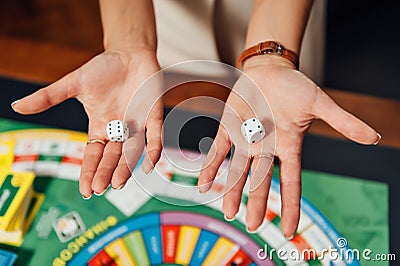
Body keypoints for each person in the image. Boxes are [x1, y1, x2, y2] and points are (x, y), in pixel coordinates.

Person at [11, 0, 380, 239]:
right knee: (183, 106)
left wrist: (271, 56)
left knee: (280, 120)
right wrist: (129, 45)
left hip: (281, 17)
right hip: (163, 13)